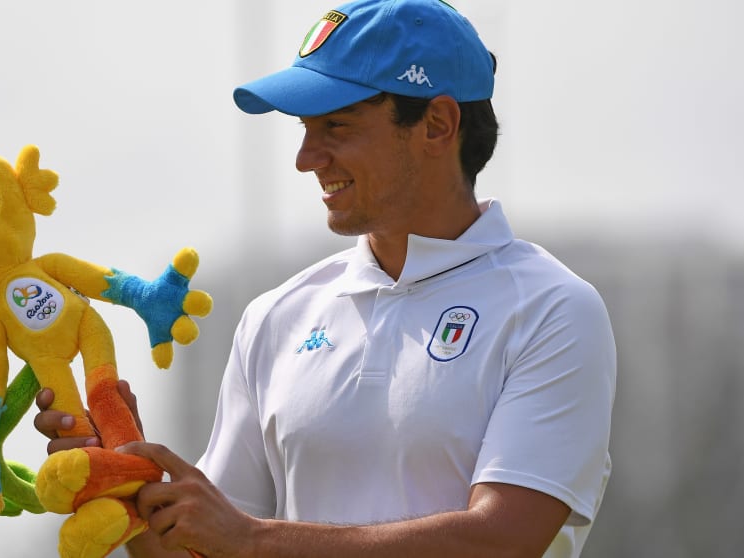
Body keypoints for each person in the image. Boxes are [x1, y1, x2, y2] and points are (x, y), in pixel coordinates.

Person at [35, 0, 616, 556]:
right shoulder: (275, 316)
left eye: (336, 126)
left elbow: (501, 542)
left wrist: (252, 541)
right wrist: (130, 481)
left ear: (438, 124)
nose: (306, 157)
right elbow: (211, 548)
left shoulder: (552, 307)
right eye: (306, 129)